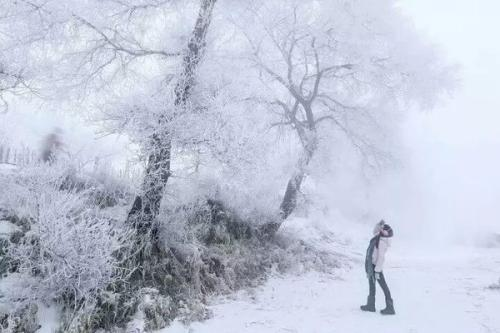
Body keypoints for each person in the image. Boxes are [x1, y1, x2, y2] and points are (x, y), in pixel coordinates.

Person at [360, 219, 395, 315]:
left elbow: (381, 258)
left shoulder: (383, 241)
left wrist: (377, 271)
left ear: (387, 233)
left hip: (376, 267)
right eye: (382, 229)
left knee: (384, 286)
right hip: (372, 266)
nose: (381, 230)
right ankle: (370, 305)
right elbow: (374, 231)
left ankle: (390, 307)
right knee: (372, 286)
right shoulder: (378, 237)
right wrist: (379, 224)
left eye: (384, 229)